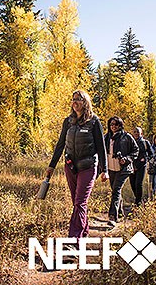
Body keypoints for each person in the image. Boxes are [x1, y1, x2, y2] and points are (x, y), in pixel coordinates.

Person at [45, 90, 109, 244]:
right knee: (77, 202)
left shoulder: (94, 121)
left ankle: (74, 241)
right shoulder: (68, 121)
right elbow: (60, 145)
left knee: (80, 202)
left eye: (78, 99)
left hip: (88, 167)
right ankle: (84, 229)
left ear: (85, 101)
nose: (74, 102)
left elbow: (101, 147)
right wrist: (51, 166)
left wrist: (105, 170)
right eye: (73, 99)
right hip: (70, 167)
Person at [104, 116, 139, 226]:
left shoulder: (126, 137)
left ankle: (112, 217)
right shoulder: (106, 137)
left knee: (116, 190)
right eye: (111, 124)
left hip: (123, 169)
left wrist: (127, 159)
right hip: (110, 168)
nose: (113, 126)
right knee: (115, 190)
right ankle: (119, 213)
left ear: (120, 125)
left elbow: (136, 150)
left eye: (116, 124)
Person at [130, 127, 153, 206]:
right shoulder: (130, 142)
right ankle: (138, 198)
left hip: (141, 166)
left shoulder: (145, 142)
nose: (136, 133)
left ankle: (138, 202)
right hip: (132, 166)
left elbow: (151, 154)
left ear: (141, 133)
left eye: (138, 132)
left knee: (138, 183)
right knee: (132, 184)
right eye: (135, 132)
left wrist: (145, 159)